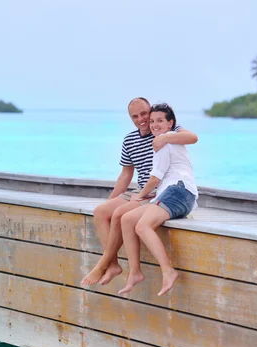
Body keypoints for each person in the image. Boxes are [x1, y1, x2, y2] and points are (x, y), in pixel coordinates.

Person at [81, 98, 198, 286]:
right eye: (135, 116)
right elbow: (126, 175)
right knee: (101, 211)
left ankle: (103, 264)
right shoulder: (130, 139)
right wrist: (110, 200)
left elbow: (192, 138)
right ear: (131, 119)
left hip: (156, 191)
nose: (142, 119)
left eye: (144, 114)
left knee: (121, 214)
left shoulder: (164, 131)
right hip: (139, 189)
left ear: (150, 111)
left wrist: (165, 137)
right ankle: (112, 265)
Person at [117, 103, 198, 296]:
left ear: (171, 123)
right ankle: (134, 272)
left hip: (178, 191)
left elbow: (155, 178)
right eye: (152, 121)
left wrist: (140, 194)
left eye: (160, 120)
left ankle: (168, 271)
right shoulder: (166, 140)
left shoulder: (164, 141)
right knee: (127, 219)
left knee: (142, 226)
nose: (154, 124)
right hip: (174, 194)